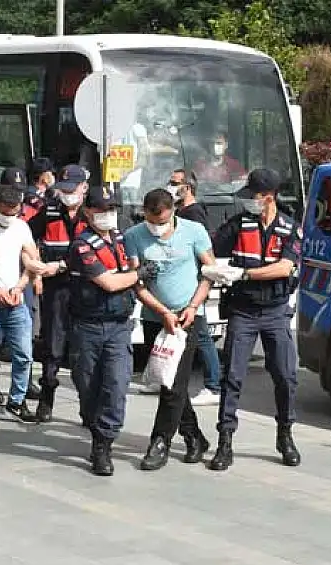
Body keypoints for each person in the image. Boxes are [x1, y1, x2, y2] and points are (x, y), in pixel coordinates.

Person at [205, 168, 302, 470]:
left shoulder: (290, 227)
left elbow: (285, 268)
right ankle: (225, 441)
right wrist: (215, 269)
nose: (248, 201)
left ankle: (285, 434)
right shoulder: (237, 225)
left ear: (268, 197)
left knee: (286, 376)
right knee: (232, 377)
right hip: (243, 312)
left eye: (254, 196)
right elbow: (210, 252)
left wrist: (244, 273)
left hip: (275, 313)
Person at [125, 188, 216, 470]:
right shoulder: (134, 236)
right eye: (151, 220)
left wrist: (192, 307)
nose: (156, 226)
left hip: (188, 316)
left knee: (174, 384)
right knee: (168, 381)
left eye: (162, 220)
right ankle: (193, 436)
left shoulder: (194, 231)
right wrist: (162, 312)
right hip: (157, 318)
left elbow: (209, 271)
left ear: (173, 211)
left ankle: (160, 441)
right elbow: (136, 281)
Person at [68, 187, 155, 475]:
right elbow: (109, 283)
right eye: (103, 209)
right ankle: (95, 428)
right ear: (89, 212)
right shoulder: (82, 245)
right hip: (88, 326)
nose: (109, 215)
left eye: (112, 208)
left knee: (117, 385)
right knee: (88, 386)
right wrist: (137, 275)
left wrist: (139, 275)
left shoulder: (121, 239)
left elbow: (132, 272)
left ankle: (104, 443)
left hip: (119, 325)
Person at [0, 184, 60, 429]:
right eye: (6, 210)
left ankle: (17, 401)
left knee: (24, 355)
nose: (10, 215)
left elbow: (32, 260)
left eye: (14, 210)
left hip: (16, 301)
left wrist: (19, 287)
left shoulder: (21, 227)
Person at [27, 163, 89, 422]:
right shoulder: (49, 210)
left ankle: (88, 407)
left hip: (87, 291)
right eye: (62, 189)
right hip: (56, 290)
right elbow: (27, 236)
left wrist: (64, 264)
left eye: (71, 189)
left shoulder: (95, 213)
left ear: (84, 188)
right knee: (52, 347)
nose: (66, 194)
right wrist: (35, 266)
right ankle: (46, 400)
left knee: (85, 352)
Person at [0, 167, 43, 403]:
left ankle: (24, 384)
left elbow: (34, 247)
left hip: (23, 277)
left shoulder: (33, 211)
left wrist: (37, 278)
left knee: (23, 335)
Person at [168, 169, 222, 406]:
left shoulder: (193, 214)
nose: (170, 186)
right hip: (186, 280)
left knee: (201, 334)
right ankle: (166, 378)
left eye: (174, 183)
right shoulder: (181, 212)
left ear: (187, 188)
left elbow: (202, 250)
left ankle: (213, 385)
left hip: (194, 282)